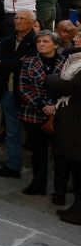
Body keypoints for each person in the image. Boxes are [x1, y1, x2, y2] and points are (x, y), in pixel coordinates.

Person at [18, 30, 66, 196]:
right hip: (34, 113)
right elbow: (23, 87)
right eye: (39, 42)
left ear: (56, 44)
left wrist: (54, 107)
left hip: (58, 114)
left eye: (45, 42)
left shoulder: (65, 62)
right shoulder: (29, 62)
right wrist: (41, 105)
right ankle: (38, 183)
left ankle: (60, 191)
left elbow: (68, 89)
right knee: (38, 152)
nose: (41, 44)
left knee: (60, 154)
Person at [0, 9, 37, 179]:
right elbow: (1, 63)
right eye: (16, 17)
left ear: (32, 22)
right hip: (8, 92)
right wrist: (10, 64)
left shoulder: (36, 41)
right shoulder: (7, 40)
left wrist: (3, 63)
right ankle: (13, 165)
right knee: (12, 131)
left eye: (22, 18)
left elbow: (27, 65)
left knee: (35, 135)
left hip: (30, 95)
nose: (18, 21)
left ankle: (39, 174)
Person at [46, 53, 81, 225]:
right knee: (74, 165)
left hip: (77, 122)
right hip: (73, 121)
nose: (76, 37)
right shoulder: (75, 58)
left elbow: (73, 87)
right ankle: (76, 208)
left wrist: (53, 79)